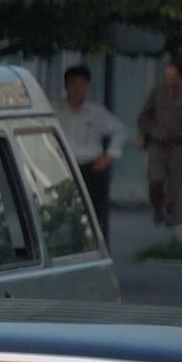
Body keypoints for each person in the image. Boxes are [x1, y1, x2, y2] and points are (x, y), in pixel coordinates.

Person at [53, 63, 125, 236]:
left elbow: (120, 131)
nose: (77, 89)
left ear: (87, 87)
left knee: (92, 210)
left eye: (81, 85)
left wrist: (109, 156)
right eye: (73, 84)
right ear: (66, 86)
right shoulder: (55, 111)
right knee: (62, 209)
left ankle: (90, 240)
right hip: (64, 166)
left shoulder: (95, 112)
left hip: (90, 166)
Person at [137, 60, 182, 233]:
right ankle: (158, 207)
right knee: (155, 179)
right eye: (166, 76)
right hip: (158, 143)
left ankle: (175, 217)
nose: (170, 79)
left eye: (173, 76)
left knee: (176, 183)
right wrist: (145, 133)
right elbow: (144, 116)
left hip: (179, 145)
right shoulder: (156, 93)